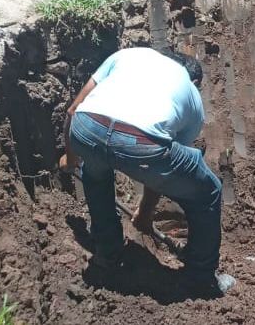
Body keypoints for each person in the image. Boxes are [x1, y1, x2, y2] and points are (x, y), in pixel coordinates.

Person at [59, 47, 231, 295]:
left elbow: (73, 110)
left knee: (95, 173)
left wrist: (71, 157)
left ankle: (107, 254)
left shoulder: (127, 55)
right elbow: (162, 170)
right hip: (141, 143)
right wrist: (146, 213)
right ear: (195, 82)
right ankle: (202, 279)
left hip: (87, 127)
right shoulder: (191, 93)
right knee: (209, 192)